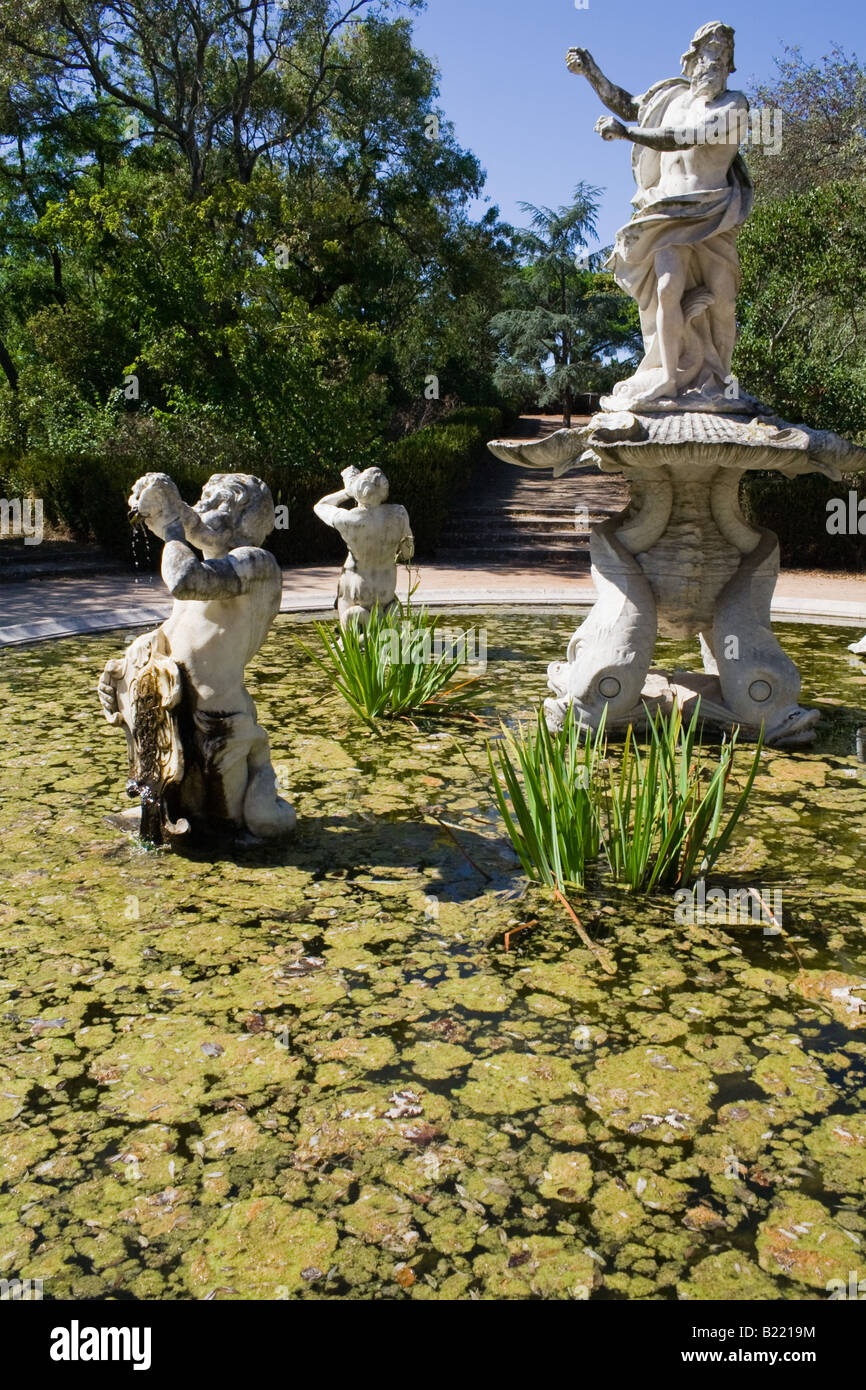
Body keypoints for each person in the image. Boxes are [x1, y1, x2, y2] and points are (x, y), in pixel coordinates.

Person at [99, 472, 295, 840]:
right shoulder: (206, 562)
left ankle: (263, 790)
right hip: (166, 712)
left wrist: (173, 526)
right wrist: (121, 674)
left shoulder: (257, 564)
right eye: (201, 499)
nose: (201, 509)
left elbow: (185, 580)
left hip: (217, 722)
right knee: (161, 815)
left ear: (248, 520)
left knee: (233, 827)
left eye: (217, 504)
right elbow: (173, 633)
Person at [567, 21, 752, 408]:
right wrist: (591, 73)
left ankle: (720, 382)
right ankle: (668, 377)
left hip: (712, 211)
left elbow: (682, 138)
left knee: (723, 302)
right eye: (709, 54)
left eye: (723, 57)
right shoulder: (673, 101)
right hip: (667, 210)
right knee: (668, 288)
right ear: (692, 60)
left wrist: (625, 135)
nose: (715, 63)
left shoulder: (734, 105)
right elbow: (632, 107)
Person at [314, 466, 414, 628]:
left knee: (349, 640)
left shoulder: (349, 519)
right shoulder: (399, 514)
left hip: (357, 591)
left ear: (359, 489)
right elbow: (408, 552)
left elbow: (320, 506)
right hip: (386, 589)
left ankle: (348, 640)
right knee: (383, 632)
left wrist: (347, 491)